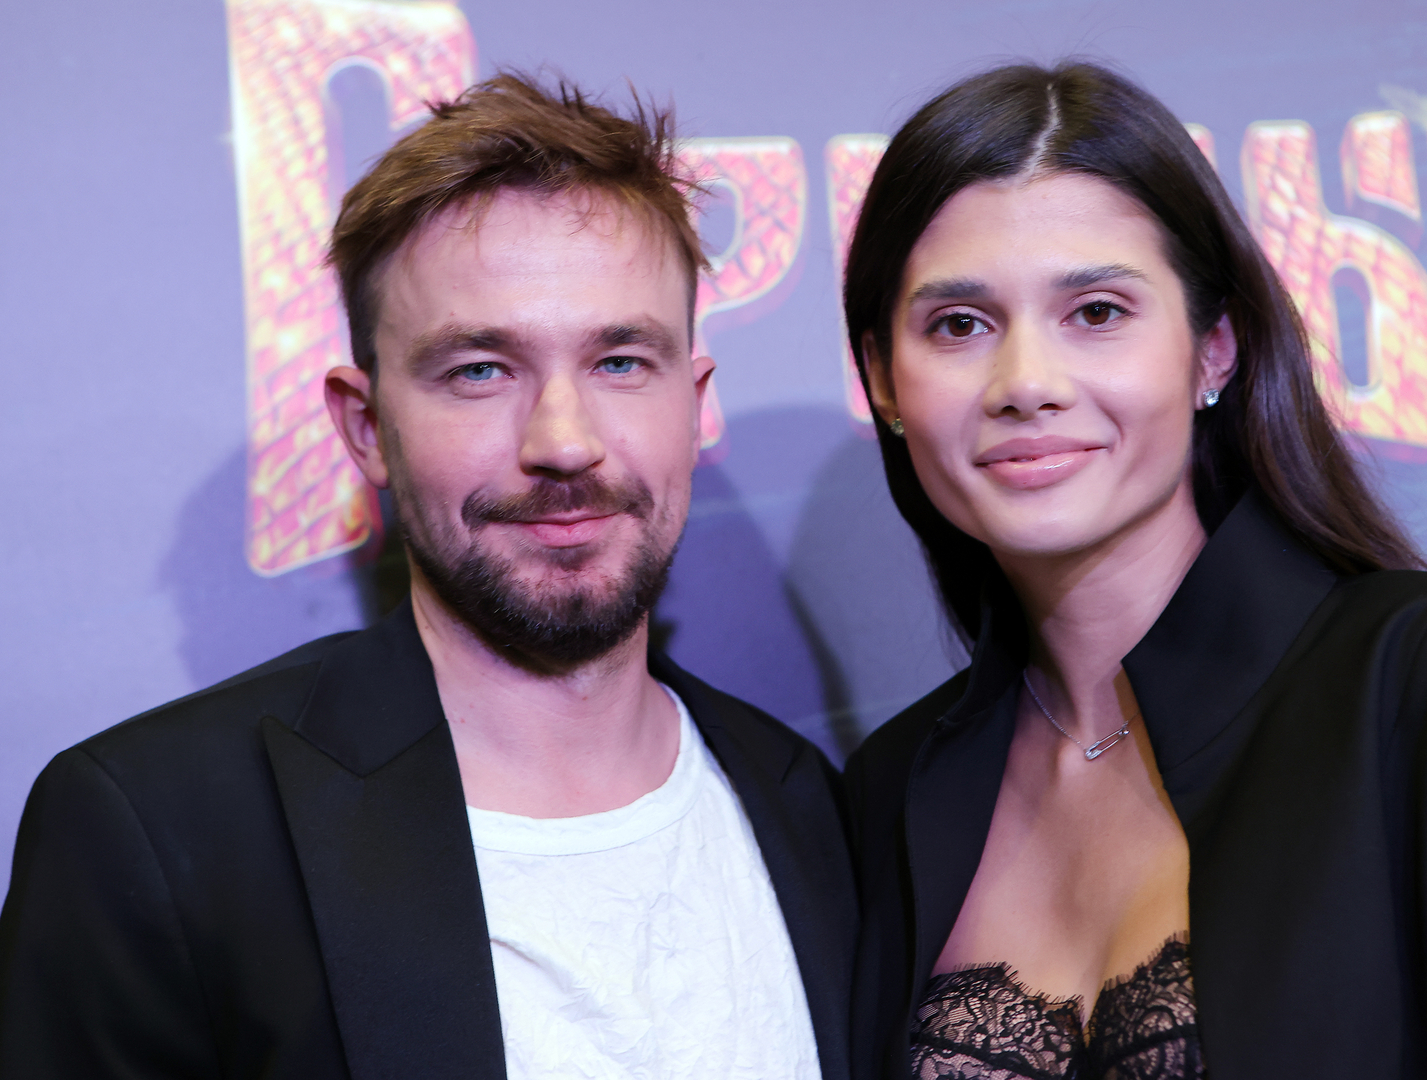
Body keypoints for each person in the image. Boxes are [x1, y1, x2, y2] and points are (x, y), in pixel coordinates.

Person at [0, 74, 855, 1080]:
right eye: (479, 370)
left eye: (621, 362)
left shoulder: (814, 807)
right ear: (366, 427)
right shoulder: (152, 828)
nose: (563, 442)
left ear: (697, 403)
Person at [840, 61, 1427, 1080]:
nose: (1025, 383)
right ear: (884, 380)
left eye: (1097, 312)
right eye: (959, 325)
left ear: (1215, 349)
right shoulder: (885, 796)